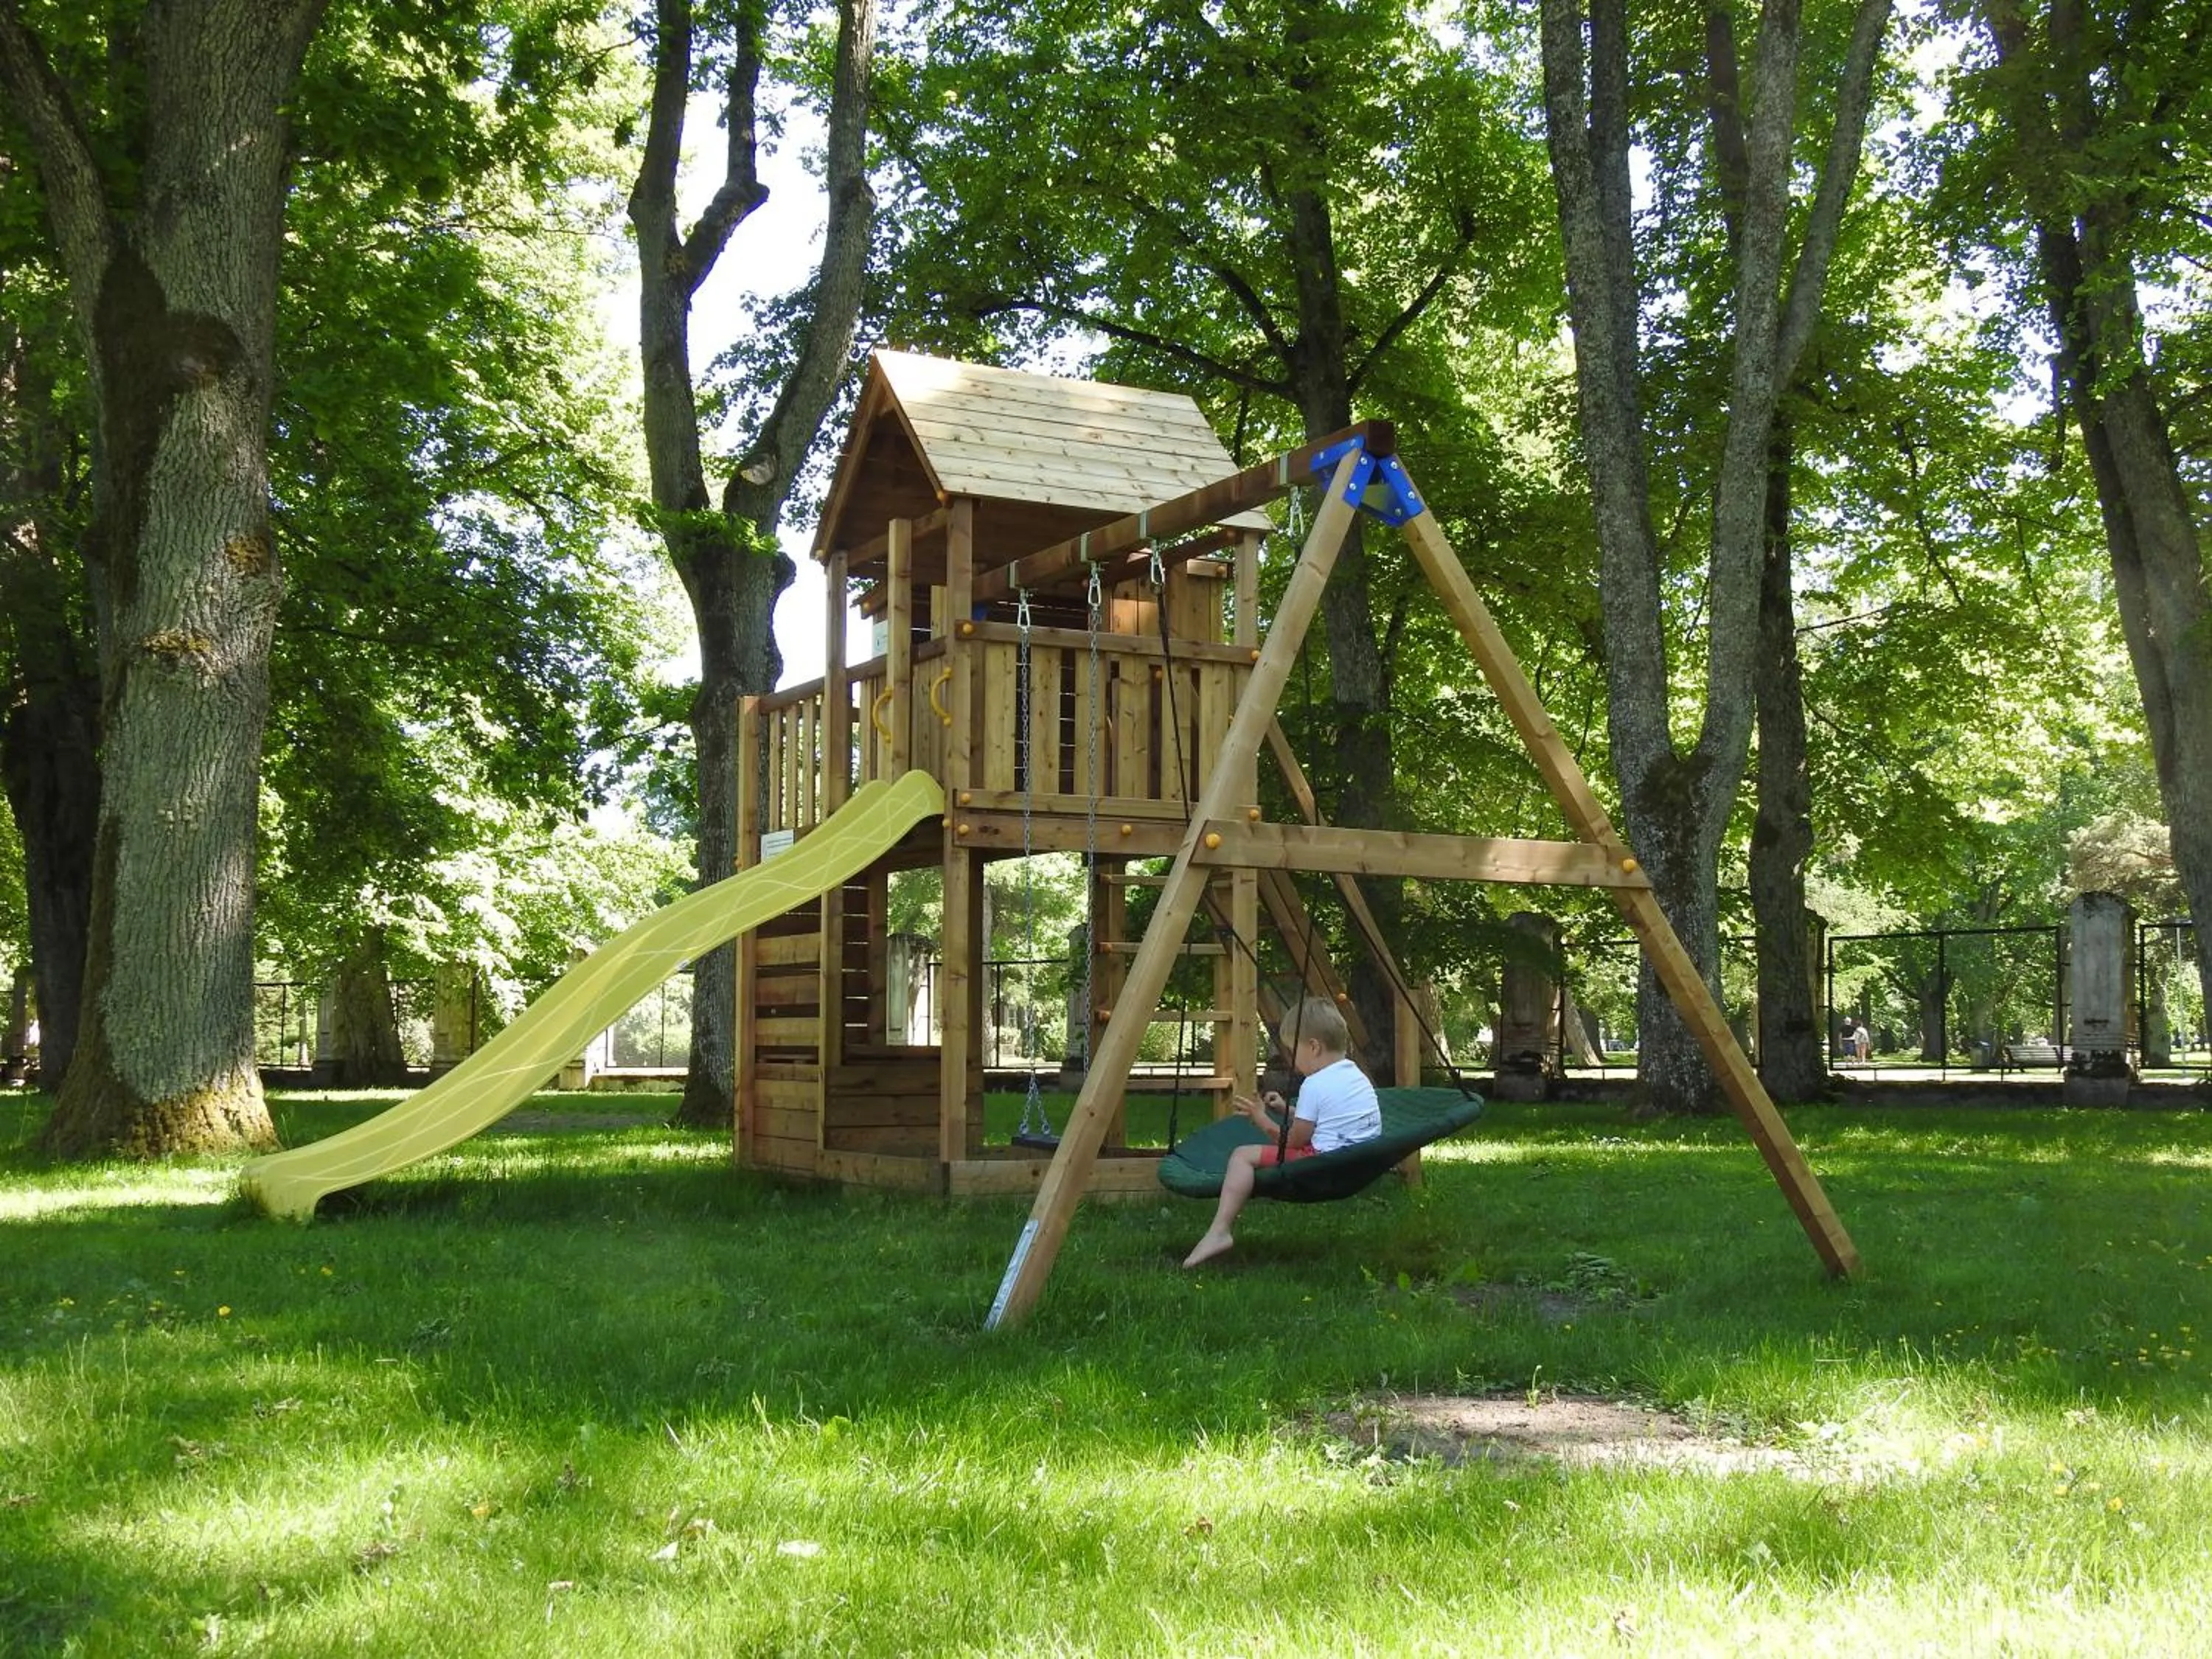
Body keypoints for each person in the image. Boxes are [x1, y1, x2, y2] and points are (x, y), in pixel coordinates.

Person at [1182, 995, 1381, 1269]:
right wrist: (1287, 1109)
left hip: (1324, 1162)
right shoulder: (1355, 1074)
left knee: (1242, 1155)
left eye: (1293, 1051)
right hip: (1358, 1158)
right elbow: (1329, 1118)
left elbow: (1295, 1142)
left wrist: (1261, 1118)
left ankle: (1220, 1231)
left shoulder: (1315, 1084)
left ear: (1313, 1047)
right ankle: (1219, 1232)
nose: (1291, 1060)